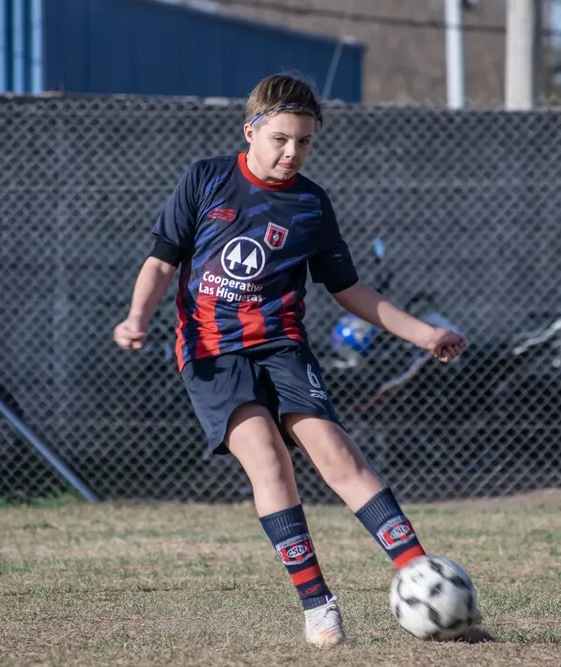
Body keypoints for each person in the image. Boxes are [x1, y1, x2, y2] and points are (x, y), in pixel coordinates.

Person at [113, 72, 467, 648]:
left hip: (282, 347)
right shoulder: (206, 179)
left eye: (304, 141)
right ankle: (318, 605)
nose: (291, 152)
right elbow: (160, 263)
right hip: (213, 352)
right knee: (268, 460)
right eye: (280, 138)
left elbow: (351, 290)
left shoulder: (310, 203)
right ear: (250, 131)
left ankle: (423, 577)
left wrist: (425, 334)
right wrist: (137, 317)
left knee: (337, 454)